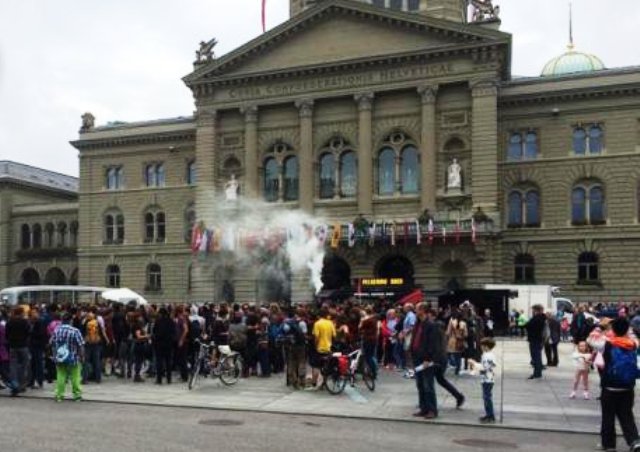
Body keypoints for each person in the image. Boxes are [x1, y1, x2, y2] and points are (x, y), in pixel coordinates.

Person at [598, 317, 640, 452]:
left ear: (613, 329)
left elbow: (590, 340)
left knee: (608, 416)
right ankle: (634, 441)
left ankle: (609, 444)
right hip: (627, 386)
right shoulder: (633, 344)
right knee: (627, 415)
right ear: (627, 330)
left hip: (609, 385)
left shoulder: (606, 344)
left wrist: (601, 327)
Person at [51, 312, 85, 402]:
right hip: (73, 357)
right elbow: (81, 345)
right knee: (75, 377)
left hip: (60, 357)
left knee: (61, 376)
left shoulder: (57, 330)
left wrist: (54, 356)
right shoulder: (75, 331)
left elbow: (53, 344)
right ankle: (77, 395)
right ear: (71, 320)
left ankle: (59, 395)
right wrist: (82, 356)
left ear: (62, 320)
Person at [469, 337, 498, 424]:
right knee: (486, 397)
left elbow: (484, 368)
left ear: (486, 346)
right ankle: (488, 414)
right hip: (488, 378)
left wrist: (474, 364)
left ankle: (490, 415)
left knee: (487, 398)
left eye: (482, 346)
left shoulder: (487, 356)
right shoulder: (489, 355)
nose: (481, 347)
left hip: (487, 379)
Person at [308, 307, 336, 391]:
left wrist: (315, 346)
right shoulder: (330, 323)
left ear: (319, 315)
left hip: (319, 348)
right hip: (328, 348)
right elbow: (334, 335)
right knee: (326, 367)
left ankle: (314, 383)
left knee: (316, 366)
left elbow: (316, 337)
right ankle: (324, 384)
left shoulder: (317, 323)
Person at [6, 306, 31, 396]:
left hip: (13, 346)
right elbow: (28, 332)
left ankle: (14, 385)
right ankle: (22, 385)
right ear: (21, 313)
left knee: (13, 366)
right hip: (23, 346)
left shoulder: (10, 322)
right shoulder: (25, 322)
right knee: (24, 366)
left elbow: (7, 334)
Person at [283, 307, 307, 389]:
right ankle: (302, 381)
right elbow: (304, 334)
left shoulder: (288, 323)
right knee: (301, 362)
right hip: (301, 345)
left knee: (292, 363)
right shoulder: (302, 323)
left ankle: (294, 380)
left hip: (292, 345)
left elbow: (285, 331)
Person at [152, 307, 175, 385]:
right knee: (168, 362)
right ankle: (169, 379)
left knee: (159, 362)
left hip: (159, 344)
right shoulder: (171, 321)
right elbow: (173, 332)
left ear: (161, 314)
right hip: (169, 344)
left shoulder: (158, 321)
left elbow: (155, 332)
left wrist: (155, 340)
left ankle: (159, 379)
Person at [29, 307, 48, 389]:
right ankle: (31, 381)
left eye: (34, 312)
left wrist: (31, 332)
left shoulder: (40, 321)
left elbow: (41, 333)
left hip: (38, 345)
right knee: (33, 364)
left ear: (38, 313)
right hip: (33, 345)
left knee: (39, 364)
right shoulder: (31, 322)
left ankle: (39, 381)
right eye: (32, 313)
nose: (33, 314)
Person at [526, 305, 546, 380]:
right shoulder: (541, 318)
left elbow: (529, 325)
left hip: (535, 339)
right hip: (537, 339)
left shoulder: (537, 318)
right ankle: (537, 372)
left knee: (536, 356)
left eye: (533, 310)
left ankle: (537, 373)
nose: (533, 311)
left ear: (536, 310)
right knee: (536, 356)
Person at [359, 306, 379, 380]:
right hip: (374, 339)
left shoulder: (366, 320)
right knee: (372, 356)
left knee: (368, 357)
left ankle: (373, 372)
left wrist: (361, 321)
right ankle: (373, 371)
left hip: (367, 339)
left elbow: (360, 328)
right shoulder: (375, 319)